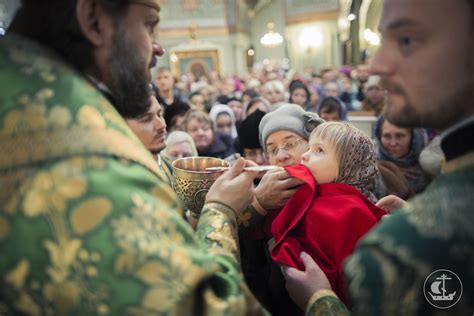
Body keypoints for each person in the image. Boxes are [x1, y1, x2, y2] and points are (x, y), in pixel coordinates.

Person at [0, 1, 266, 314]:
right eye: (148, 24)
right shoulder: (90, 163)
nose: (158, 48)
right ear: (94, 21)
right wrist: (220, 212)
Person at [283, 0, 474, 315]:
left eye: (407, 40)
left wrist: (320, 301)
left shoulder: (395, 255)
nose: (376, 66)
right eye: (382, 39)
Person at [270, 122, 386, 305]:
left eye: (319, 151)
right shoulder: (316, 195)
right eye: (309, 148)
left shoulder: (350, 211)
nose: (305, 156)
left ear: (348, 165)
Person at [375, 116, 432, 193]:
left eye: (400, 136)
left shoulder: (431, 168)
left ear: (414, 137)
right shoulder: (370, 171)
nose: (393, 143)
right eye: (387, 136)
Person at [126, 94, 173, 184]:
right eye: (147, 119)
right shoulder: (123, 177)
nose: (162, 125)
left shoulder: (170, 167)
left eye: (159, 115)